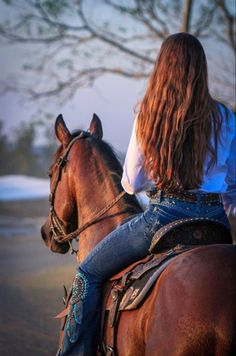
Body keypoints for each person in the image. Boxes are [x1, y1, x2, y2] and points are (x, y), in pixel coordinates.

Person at [59, 33, 236, 355]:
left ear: (162, 67)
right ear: (202, 68)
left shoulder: (149, 114)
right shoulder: (224, 116)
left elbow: (131, 184)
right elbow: (233, 183)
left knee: (88, 272)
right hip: (215, 220)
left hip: (163, 215)